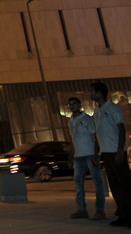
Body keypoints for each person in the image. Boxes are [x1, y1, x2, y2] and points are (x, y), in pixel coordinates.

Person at [90, 82, 131, 228]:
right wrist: (96, 152)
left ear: (99, 93)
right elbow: (98, 134)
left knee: (126, 185)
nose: (91, 94)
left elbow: (121, 130)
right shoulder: (97, 111)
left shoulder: (113, 109)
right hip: (106, 153)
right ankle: (124, 216)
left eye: (93, 91)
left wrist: (120, 150)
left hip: (116, 152)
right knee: (114, 186)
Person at [66, 97, 106, 220]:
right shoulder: (71, 122)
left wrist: (95, 154)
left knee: (97, 181)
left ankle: (100, 210)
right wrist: (71, 156)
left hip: (89, 154)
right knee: (78, 182)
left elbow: (95, 137)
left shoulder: (87, 119)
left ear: (80, 105)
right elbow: (73, 140)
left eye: (74, 104)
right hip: (78, 156)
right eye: (70, 105)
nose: (72, 106)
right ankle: (81, 209)